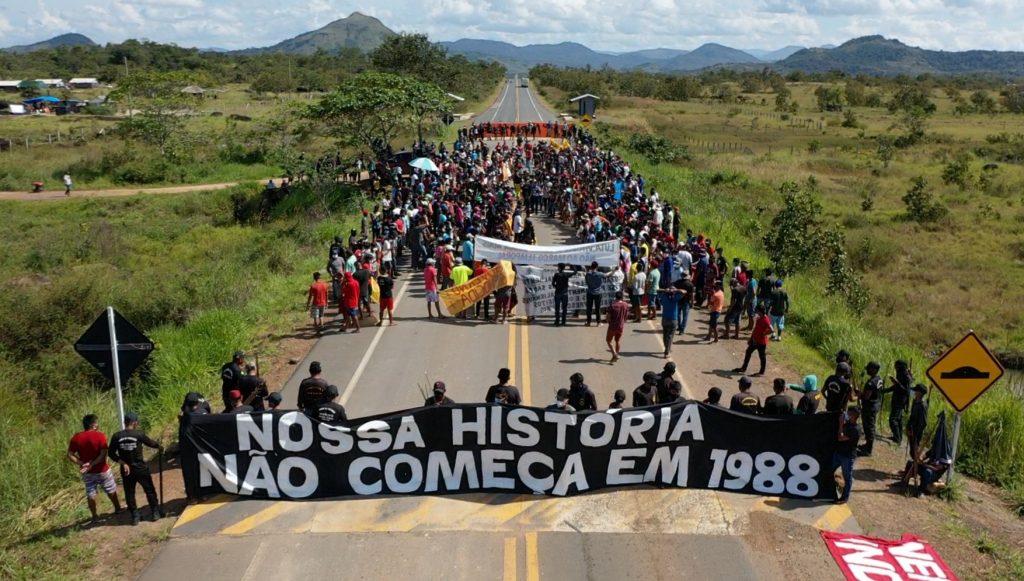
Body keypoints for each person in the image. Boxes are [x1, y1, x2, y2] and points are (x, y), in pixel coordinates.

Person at [109, 412, 162, 525]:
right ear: (134, 423)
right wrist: (159, 446)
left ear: (125, 422)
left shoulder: (116, 436)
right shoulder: (139, 434)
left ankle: (135, 516)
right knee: (149, 490)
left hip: (126, 469)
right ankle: (155, 512)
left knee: (129, 492)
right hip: (140, 467)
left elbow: (111, 453)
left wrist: (122, 462)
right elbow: (151, 443)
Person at [68, 414, 122, 524]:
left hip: (87, 472)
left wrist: (82, 463)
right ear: (93, 424)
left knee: (90, 493)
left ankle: (94, 516)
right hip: (102, 469)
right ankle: (117, 509)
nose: (98, 424)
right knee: (110, 489)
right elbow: (103, 454)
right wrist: (92, 464)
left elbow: (70, 454)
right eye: (96, 423)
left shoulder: (77, 437)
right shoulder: (100, 436)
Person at [734, 304, 773, 376]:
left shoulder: (765, 319)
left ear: (759, 311)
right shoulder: (759, 318)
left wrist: (764, 334)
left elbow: (772, 330)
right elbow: (755, 330)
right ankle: (743, 368)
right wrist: (751, 338)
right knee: (748, 352)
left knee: (762, 356)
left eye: (757, 310)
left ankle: (761, 372)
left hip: (761, 342)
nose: (756, 312)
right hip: (754, 340)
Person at [833, 408, 862, 504]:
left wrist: (841, 424)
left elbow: (840, 438)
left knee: (847, 477)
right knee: (829, 470)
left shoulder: (855, 429)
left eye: (849, 413)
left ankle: (844, 497)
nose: (846, 414)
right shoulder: (848, 424)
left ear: (853, 416)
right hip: (839, 453)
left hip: (847, 457)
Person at [884, 360, 913, 445]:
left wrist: (896, 382)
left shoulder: (906, 376)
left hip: (900, 401)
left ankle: (897, 438)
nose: (895, 367)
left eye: (896, 366)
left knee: (893, 419)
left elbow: (906, 391)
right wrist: (885, 391)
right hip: (896, 399)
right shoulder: (900, 374)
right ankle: (897, 437)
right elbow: (895, 387)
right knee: (898, 420)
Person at [858, 362, 883, 456]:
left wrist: (860, 395)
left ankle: (868, 450)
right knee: (870, 426)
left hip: (869, 407)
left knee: (869, 427)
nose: (867, 370)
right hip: (875, 405)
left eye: (869, 368)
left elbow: (866, 397)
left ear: (874, 370)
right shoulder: (879, 379)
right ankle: (867, 445)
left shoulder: (870, 382)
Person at [657, 286, 683, 358]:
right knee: (670, 336)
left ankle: (667, 348)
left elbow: (657, 290)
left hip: (664, 319)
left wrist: (666, 290)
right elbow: (684, 292)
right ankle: (667, 352)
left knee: (665, 335)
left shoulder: (663, 297)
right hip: (673, 319)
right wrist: (676, 290)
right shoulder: (675, 298)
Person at [606, 291, 629, 363]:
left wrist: (608, 321)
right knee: (617, 341)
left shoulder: (612, 306)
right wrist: (623, 320)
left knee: (608, 341)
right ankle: (615, 356)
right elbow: (626, 315)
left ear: (615, 297)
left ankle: (614, 354)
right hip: (620, 326)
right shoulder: (625, 305)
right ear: (622, 297)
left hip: (613, 326)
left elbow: (608, 317)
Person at [907, 384, 929, 459]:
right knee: (912, 450)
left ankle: (916, 467)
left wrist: (916, 432)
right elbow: (912, 415)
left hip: (916, 431)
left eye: (916, 391)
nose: (914, 392)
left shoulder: (923, 405)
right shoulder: (915, 401)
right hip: (911, 429)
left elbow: (923, 422)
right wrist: (908, 427)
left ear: (920, 393)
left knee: (914, 451)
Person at [584, 262, 605, 326]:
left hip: (590, 292)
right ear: (597, 267)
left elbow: (586, 281)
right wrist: (614, 270)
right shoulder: (600, 274)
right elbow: (608, 275)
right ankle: (598, 322)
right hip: (598, 293)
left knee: (589, 308)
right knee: (598, 308)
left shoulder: (588, 274)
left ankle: (588, 322)